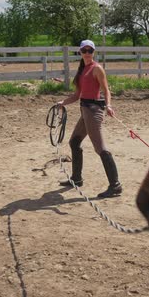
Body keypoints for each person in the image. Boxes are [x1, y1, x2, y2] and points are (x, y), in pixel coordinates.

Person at [57, 39, 122, 198]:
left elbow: (106, 90)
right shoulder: (82, 70)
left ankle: (115, 186)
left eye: (90, 50)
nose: (87, 53)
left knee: (100, 148)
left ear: (93, 52)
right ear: (80, 52)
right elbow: (77, 95)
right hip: (85, 110)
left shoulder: (97, 68)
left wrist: (109, 105)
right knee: (74, 142)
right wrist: (62, 103)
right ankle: (77, 178)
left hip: (93, 111)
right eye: (84, 50)